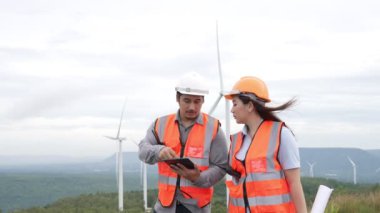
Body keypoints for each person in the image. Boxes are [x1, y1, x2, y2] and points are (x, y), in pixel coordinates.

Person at [138, 72, 228, 213]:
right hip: (164, 206)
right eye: (187, 101)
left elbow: (222, 166)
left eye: (197, 101)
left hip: (196, 208)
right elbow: (143, 151)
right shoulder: (160, 124)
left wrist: (199, 177)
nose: (192, 107)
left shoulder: (214, 129)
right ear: (177, 99)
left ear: (203, 101)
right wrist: (159, 151)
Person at [224, 76, 307, 213]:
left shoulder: (281, 134)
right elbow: (236, 189)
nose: (232, 110)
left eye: (235, 104)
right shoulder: (235, 141)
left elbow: (294, 183)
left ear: (250, 106)